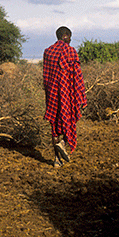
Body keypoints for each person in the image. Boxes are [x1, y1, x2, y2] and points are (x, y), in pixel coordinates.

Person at [42, 26, 87, 167]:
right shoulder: (70, 51)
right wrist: (81, 95)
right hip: (67, 94)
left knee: (54, 126)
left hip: (52, 95)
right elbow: (77, 76)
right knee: (69, 120)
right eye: (70, 37)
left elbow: (46, 76)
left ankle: (57, 160)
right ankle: (63, 142)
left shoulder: (48, 52)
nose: (70, 40)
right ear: (65, 36)